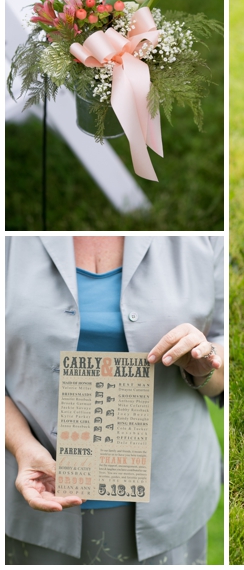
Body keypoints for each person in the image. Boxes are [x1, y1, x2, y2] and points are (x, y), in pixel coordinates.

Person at [5, 236, 224, 564]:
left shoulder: (203, 238)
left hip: (171, 498)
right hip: (29, 504)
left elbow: (225, 344)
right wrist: (21, 445)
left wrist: (204, 362)